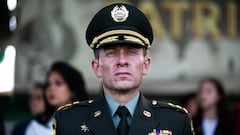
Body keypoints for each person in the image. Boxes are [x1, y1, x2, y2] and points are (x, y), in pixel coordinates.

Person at [53, 3, 194, 135]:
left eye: (131, 52)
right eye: (111, 53)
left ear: (146, 65)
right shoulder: (68, 121)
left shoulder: (176, 121)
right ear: (97, 67)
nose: (122, 61)